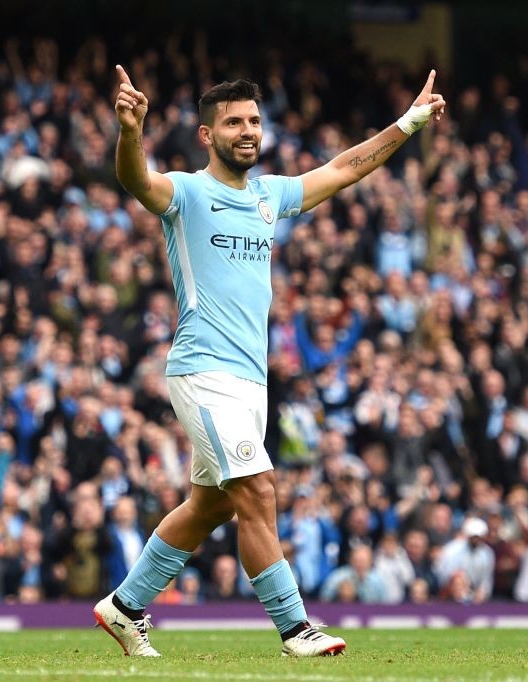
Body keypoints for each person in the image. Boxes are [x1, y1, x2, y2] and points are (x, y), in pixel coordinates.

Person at [92, 64, 445, 657]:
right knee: (257, 490)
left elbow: (343, 168)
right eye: (233, 122)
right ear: (208, 136)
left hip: (249, 381)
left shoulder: (268, 195)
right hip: (203, 370)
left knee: (209, 505)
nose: (247, 130)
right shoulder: (187, 192)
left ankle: (124, 607)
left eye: (254, 120)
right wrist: (130, 132)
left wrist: (408, 122)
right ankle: (296, 628)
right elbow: (137, 182)